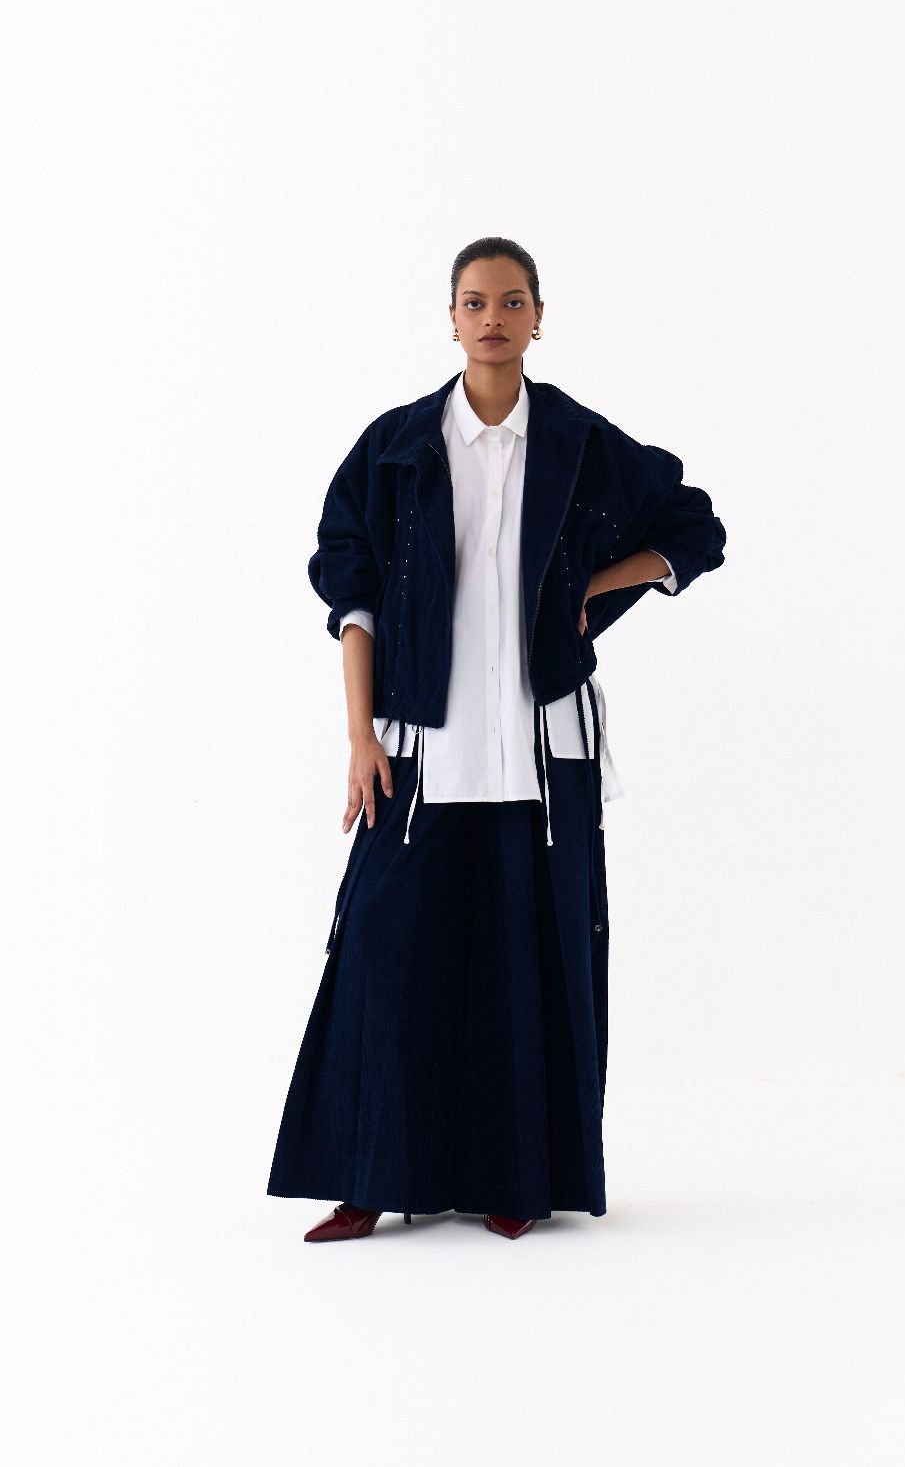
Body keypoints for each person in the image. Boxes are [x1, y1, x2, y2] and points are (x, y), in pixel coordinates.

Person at [266, 236, 727, 1241]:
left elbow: (695, 528)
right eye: (474, 302)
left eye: (511, 301)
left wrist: (598, 584)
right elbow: (352, 594)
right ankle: (370, 1179)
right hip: (420, 753)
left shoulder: (577, 441)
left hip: (539, 753)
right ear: (450, 318)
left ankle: (519, 1183)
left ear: (538, 317)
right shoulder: (396, 446)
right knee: (385, 958)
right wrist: (359, 736)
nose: (492, 318)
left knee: (526, 970)